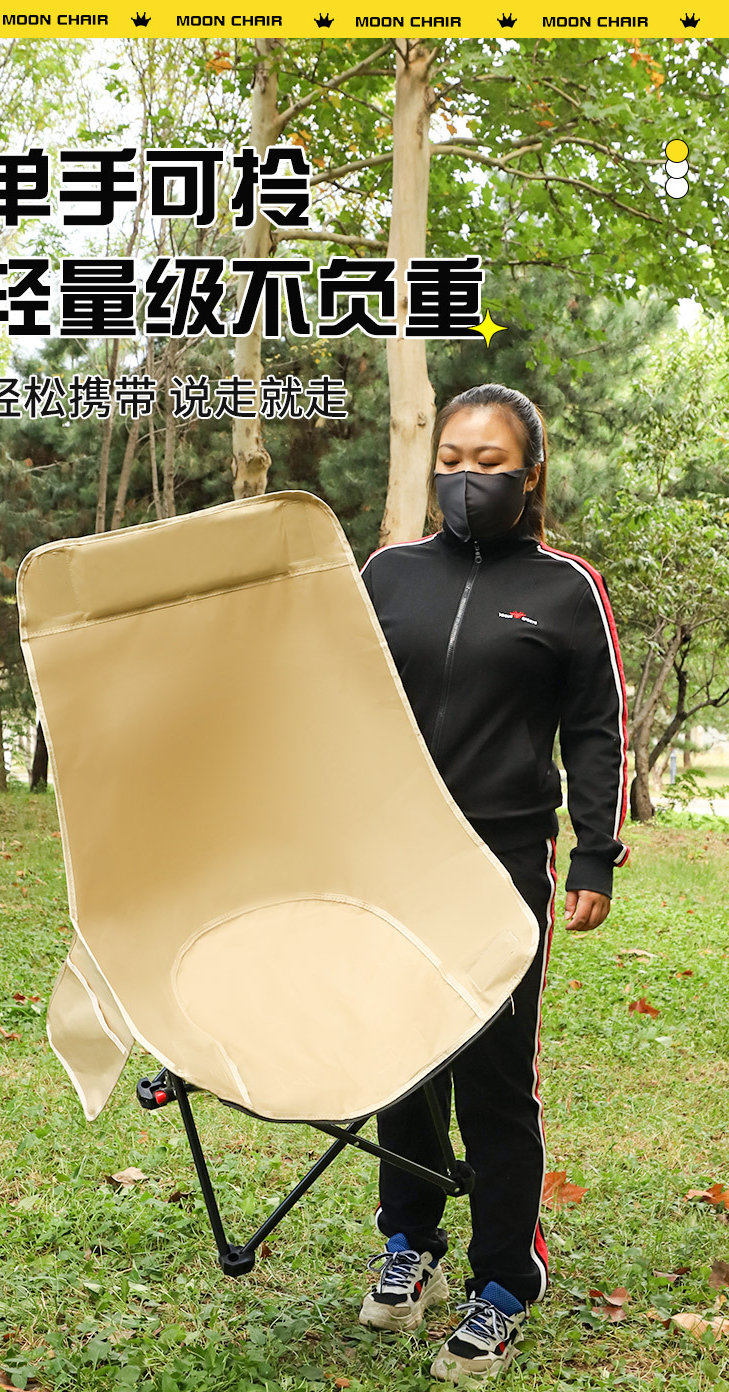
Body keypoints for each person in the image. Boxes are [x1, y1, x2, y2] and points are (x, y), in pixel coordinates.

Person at [357, 383, 629, 1383]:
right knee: (401, 1058)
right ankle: (409, 1240)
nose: (466, 479)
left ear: (530, 474)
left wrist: (594, 854)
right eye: (452, 461)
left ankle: (507, 1282)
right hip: (391, 855)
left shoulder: (566, 588)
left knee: (493, 1072)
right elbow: (342, 698)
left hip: (504, 859)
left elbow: (598, 728)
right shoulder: (387, 573)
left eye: (489, 463)